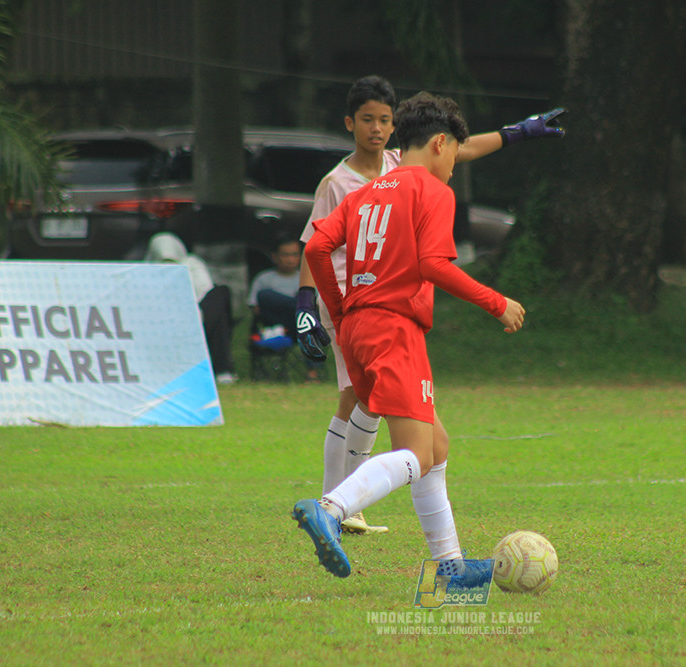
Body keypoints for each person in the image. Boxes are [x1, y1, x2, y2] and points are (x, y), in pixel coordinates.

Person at [295, 74, 565, 534]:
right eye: (368, 119)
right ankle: (335, 504)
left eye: (385, 119)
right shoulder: (381, 185)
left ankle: (449, 566)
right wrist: (495, 301)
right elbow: (432, 263)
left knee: (431, 443)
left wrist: (517, 132)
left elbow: (317, 246)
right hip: (391, 323)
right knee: (414, 451)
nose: (377, 128)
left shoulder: (377, 183)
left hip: (356, 317)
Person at [144, 232, 237, 384]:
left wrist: (193, 311)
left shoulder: (192, 264)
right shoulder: (144, 271)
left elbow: (205, 291)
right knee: (219, 318)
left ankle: (222, 369)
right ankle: (222, 368)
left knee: (221, 293)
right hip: (162, 319)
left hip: (196, 313)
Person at [247, 235, 321, 382]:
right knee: (265, 295)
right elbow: (256, 309)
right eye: (285, 255)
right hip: (274, 324)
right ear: (275, 257)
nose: (290, 259)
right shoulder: (264, 279)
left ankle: (312, 374)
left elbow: (318, 306)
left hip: (298, 327)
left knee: (309, 317)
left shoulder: (307, 278)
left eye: (294, 255)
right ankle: (298, 304)